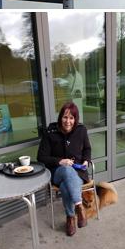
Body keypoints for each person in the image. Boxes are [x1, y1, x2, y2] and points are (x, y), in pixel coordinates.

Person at [37, 102, 92, 237]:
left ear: (75, 119)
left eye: (71, 118)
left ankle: (70, 218)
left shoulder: (81, 130)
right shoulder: (51, 132)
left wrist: (86, 160)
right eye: (65, 117)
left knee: (66, 185)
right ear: (60, 117)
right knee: (67, 171)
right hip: (57, 172)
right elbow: (41, 157)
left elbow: (87, 149)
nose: (68, 121)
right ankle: (79, 206)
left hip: (78, 172)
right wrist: (59, 161)